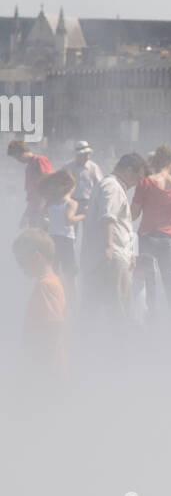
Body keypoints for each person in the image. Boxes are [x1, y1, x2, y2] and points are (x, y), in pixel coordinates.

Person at [82, 153, 148, 323]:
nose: (137, 183)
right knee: (119, 309)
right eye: (138, 177)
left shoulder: (113, 186)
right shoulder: (112, 187)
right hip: (113, 258)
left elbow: (123, 226)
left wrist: (131, 253)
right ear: (128, 171)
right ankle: (120, 345)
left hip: (115, 255)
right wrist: (109, 246)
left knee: (111, 307)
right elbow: (107, 217)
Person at [131, 145, 171, 316]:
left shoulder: (145, 183)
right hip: (167, 240)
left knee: (148, 285)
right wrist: (170, 212)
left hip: (146, 238)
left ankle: (150, 322)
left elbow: (134, 213)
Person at [12, 228, 68, 379]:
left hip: (47, 371)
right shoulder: (51, 282)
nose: (21, 268)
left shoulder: (46, 285)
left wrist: (38, 367)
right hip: (46, 368)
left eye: (22, 261)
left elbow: (54, 328)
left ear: (36, 257)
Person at [39, 168, 84, 302]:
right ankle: (72, 302)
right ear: (71, 187)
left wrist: (50, 223)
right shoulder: (71, 203)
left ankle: (55, 298)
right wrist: (83, 215)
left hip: (52, 239)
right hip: (66, 241)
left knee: (54, 271)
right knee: (71, 274)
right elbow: (69, 220)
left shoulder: (51, 202)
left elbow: (43, 218)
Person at [7, 138, 52, 227]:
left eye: (17, 157)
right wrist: (26, 215)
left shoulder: (39, 160)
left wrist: (45, 210)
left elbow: (50, 183)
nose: (17, 160)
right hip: (35, 211)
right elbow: (31, 196)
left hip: (43, 210)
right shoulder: (28, 167)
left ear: (22, 152)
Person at [64, 140, 103, 218]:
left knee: (88, 227)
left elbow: (99, 186)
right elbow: (61, 183)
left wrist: (95, 202)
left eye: (88, 154)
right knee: (71, 226)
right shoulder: (68, 167)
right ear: (78, 155)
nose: (87, 157)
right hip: (71, 201)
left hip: (87, 202)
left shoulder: (93, 167)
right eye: (84, 155)